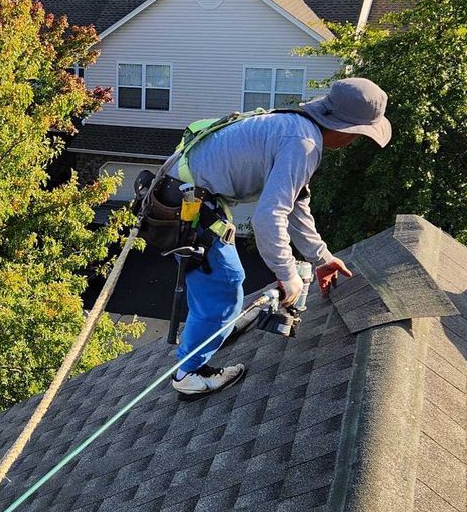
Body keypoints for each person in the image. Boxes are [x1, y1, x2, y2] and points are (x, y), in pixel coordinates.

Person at [168, 77, 392, 400]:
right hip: (186, 202)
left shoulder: (300, 127)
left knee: (219, 286)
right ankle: (188, 373)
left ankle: (218, 327)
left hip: (189, 192)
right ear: (347, 129)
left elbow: (296, 205)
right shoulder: (305, 144)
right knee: (224, 284)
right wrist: (288, 276)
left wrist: (322, 258)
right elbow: (268, 217)